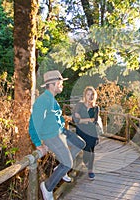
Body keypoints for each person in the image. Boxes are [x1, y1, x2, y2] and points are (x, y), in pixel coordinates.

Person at [28, 70, 86, 200]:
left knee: (80, 143)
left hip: (61, 132)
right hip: (51, 136)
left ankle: (60, 168)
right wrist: (38, 144)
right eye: (60, 83)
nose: (62, 85)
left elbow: (56, 118)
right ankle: (48, 187)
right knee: (68, 163)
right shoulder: (42, 100)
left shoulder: (52, 100)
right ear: (53, 84)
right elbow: (33, 125)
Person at [72, 86, 102, 180]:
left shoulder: (96, 108)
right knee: (84, 149)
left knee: (91, 151)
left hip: (92, 132)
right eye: (88, 94)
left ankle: (90, 170)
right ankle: (85, 162)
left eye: (92, 95)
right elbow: (75, 120)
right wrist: (86, 120)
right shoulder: (79, 105)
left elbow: (94, 120)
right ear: (85, 95)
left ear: (94, 96)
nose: (90, 96)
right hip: (81, 132)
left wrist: (82, 119)